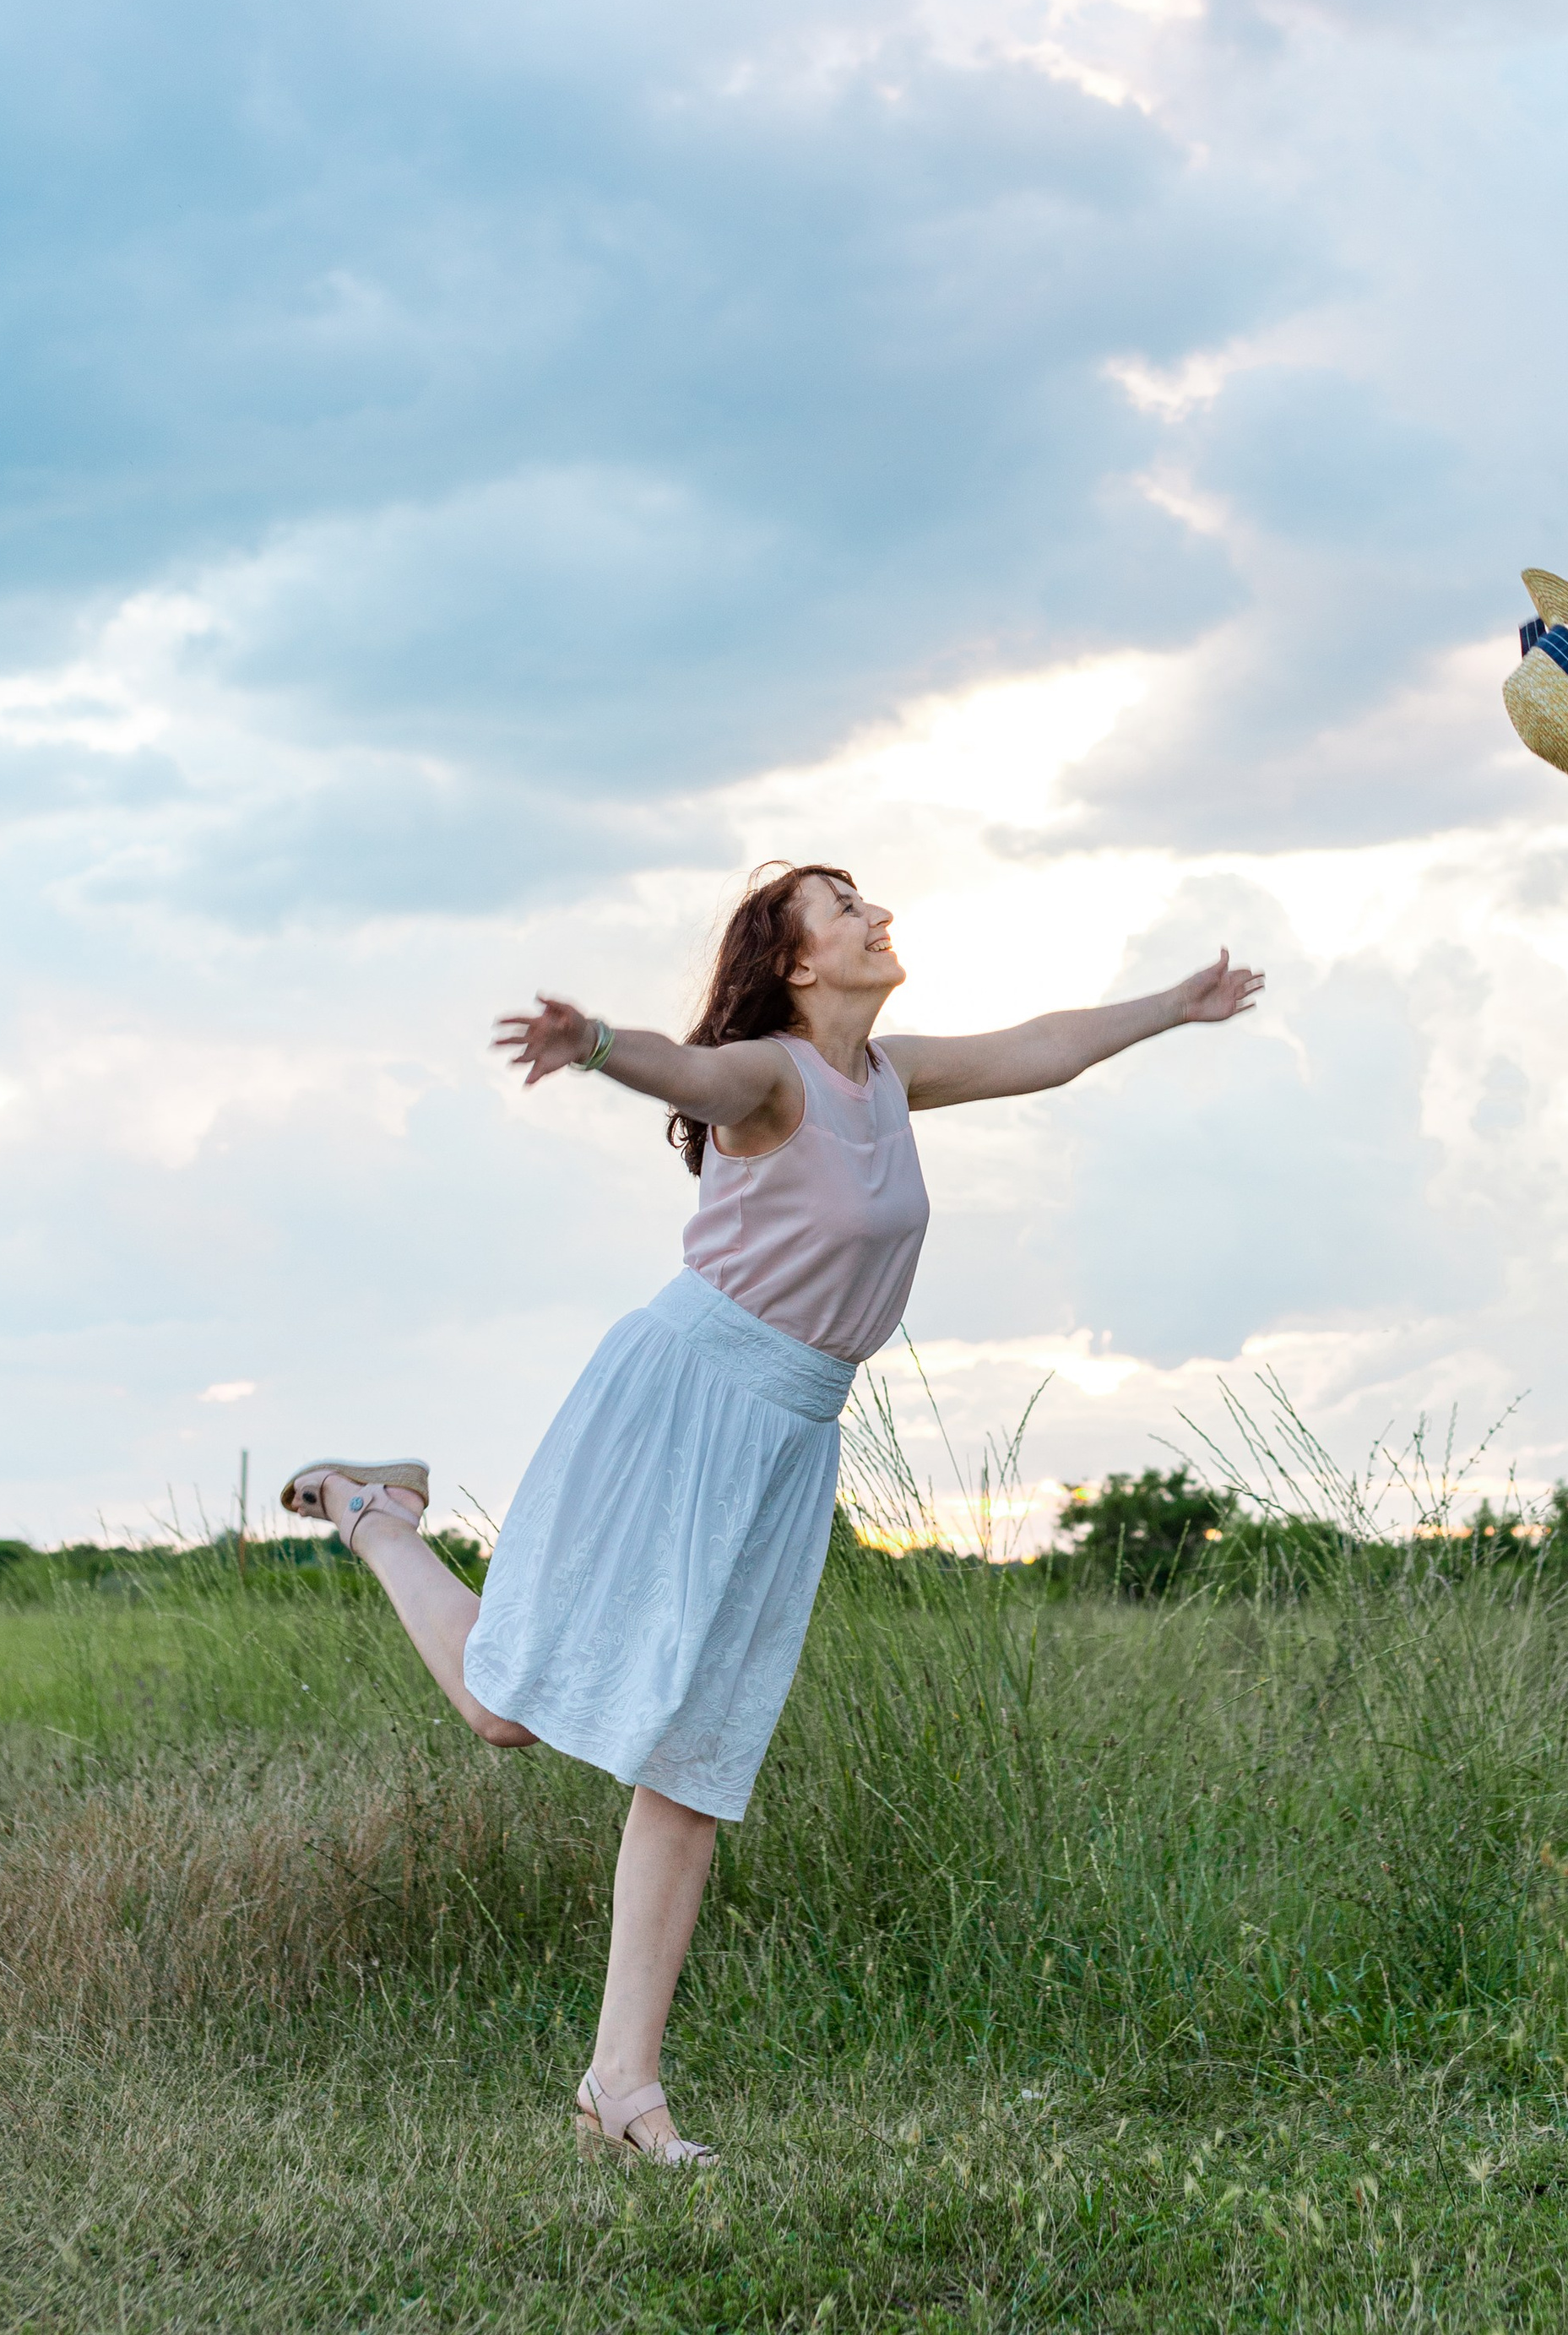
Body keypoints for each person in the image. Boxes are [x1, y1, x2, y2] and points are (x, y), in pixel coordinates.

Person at [282, 861, 1263, 2164]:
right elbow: (697, 1083)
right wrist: (600, 1048)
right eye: (843, 906)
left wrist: (1174, 1006)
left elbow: (1039, 1049)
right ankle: (374, 1512)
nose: (876, 916)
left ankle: (619, 2094)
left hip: (791, 1432)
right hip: (684, 1399)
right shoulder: (771, 1075)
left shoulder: (892, 1078)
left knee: (693, 1761)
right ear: (798, 963)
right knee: (505, 1711)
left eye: (870, 899)